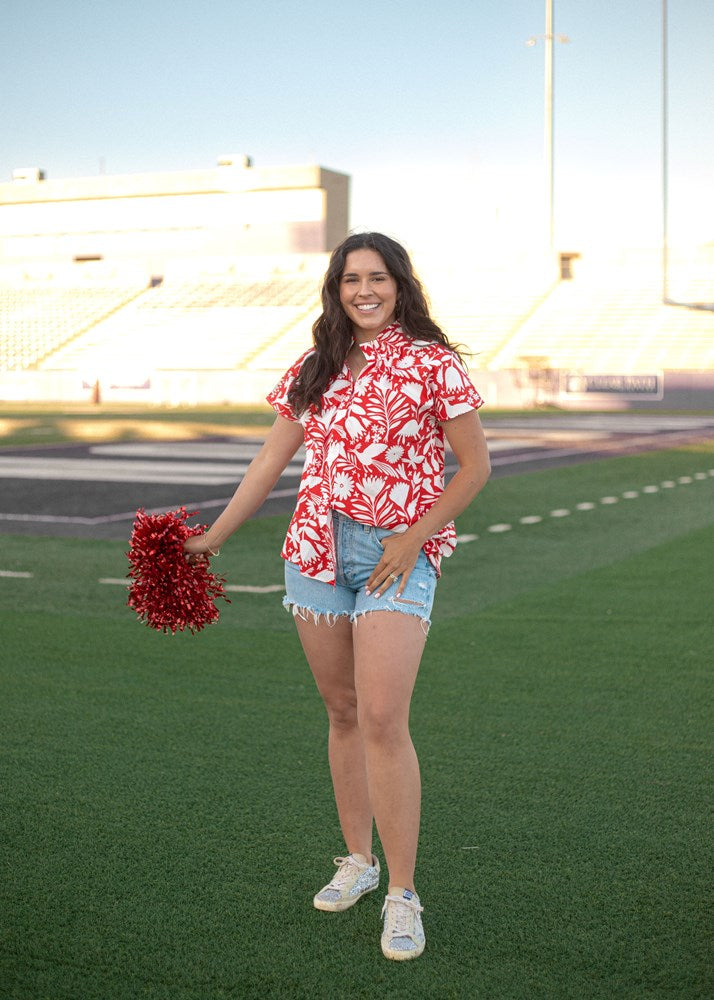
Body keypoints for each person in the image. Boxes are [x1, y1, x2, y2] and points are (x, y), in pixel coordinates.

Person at [183, 232, 491, 961]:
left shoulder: (432, 364)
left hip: (395, 554)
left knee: (384, 717)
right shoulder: (314, 366)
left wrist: (413, 539)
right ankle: (359, 860)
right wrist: (212, 538)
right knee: (344, 711)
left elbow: (474, 468)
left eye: (377, 278)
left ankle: (404, 895)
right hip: (315, 552)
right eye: (351, 278)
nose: (364, 290)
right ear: (336, 288)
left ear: (400, 285)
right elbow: (270, 458)